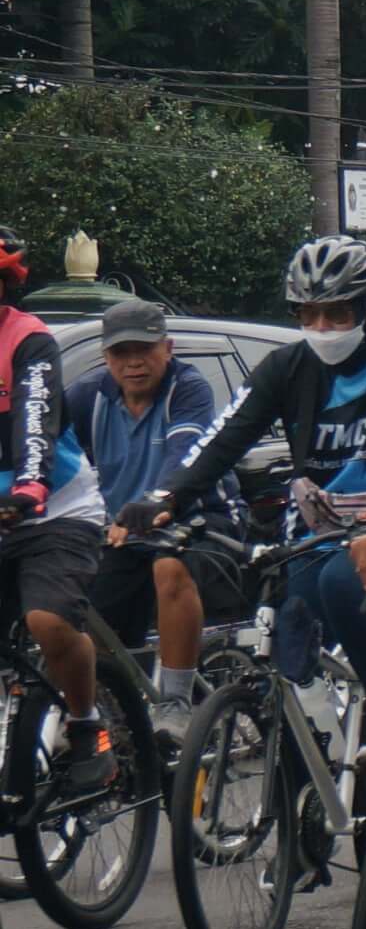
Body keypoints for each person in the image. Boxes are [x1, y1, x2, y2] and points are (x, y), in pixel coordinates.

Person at [130, 235, 366, 771]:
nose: (322, 328)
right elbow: (224, 437)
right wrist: (166, 496)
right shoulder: (286, 368)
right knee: (288, 631)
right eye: (309, 314)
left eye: (337, 313)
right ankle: (309, 796)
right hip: (321, 533)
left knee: (345, 586)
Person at [67, 299, 248, 736]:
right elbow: (48, 453)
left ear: (166, 348)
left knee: (170, 566)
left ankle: (175, 701)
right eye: (120, 353)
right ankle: (114, 716)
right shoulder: (86, 396)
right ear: (106, 357)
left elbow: (183, 456)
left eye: (144, 350)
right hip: (124, 532)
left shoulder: (187, 388)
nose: (133, 363)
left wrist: (158, 500)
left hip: (205, 519)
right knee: (82, 611)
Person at [0, 226, 117, 794]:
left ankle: (86, 723)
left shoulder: (29, 340)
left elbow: (35, 419)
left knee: (48, 620)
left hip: (55, 508)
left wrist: (29, 486)